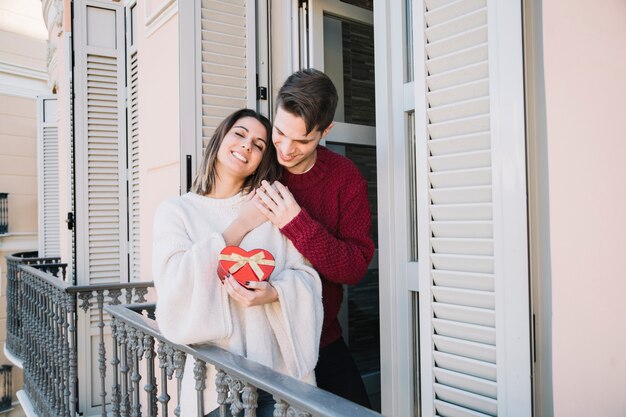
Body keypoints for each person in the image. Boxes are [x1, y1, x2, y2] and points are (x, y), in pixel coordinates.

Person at [152, 108, 324, 417]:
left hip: (276, 380)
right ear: (221, 138)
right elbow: (174, 286)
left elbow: (307, 276)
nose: (247, 145)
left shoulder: (271, 202)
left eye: (259, 145)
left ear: (263, 159)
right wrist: (241, 225)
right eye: (240, 134)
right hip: (216, 386)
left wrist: (275, 293)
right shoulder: (177, 212)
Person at [253, 69, 375, 408]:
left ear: (326, 132)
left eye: (303, 140)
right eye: (280, 132)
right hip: (255, 342)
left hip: (319, 336)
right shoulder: (257, 160)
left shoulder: (345, 179)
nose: (287, 149)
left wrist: (296, 222)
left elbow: (353, 268)